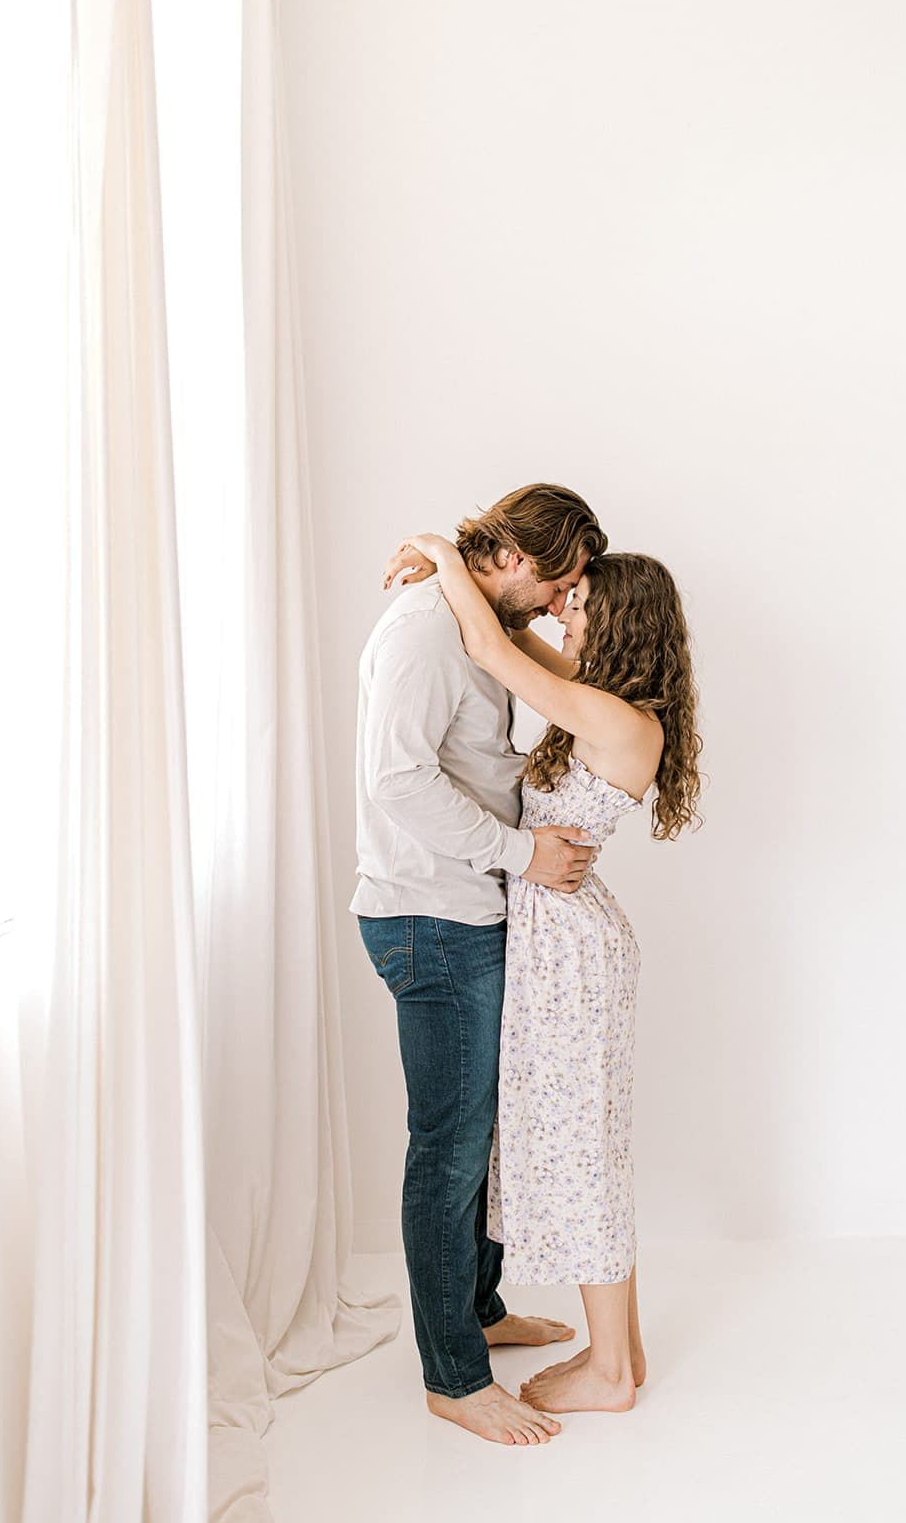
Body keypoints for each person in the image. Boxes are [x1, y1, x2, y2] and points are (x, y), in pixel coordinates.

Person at [383, 532, 702, 1415]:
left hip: (569, 950)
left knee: (582, 1154)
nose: (561, 609)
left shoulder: (615, 719)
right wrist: (463, 583)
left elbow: (491, 646)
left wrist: (443, 555)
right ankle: (622, 1353)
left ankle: (605, 1376)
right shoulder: (598, 701)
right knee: (584, 1146)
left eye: (580, 602)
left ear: (621, 624)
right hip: (561, 936)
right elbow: (507, 636)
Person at [353, 483, 608, 1446]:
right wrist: (523, 855)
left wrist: (442, 552)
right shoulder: (423, 629)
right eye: (557, 582)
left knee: (486, 1139)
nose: (556, 602)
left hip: (468, 911)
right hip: (430, 919)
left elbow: (503, 727)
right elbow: (397, 777)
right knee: (449, 1148)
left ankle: (482, 1314)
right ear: (510, 558)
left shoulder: (466, 607)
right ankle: (452, 1377)